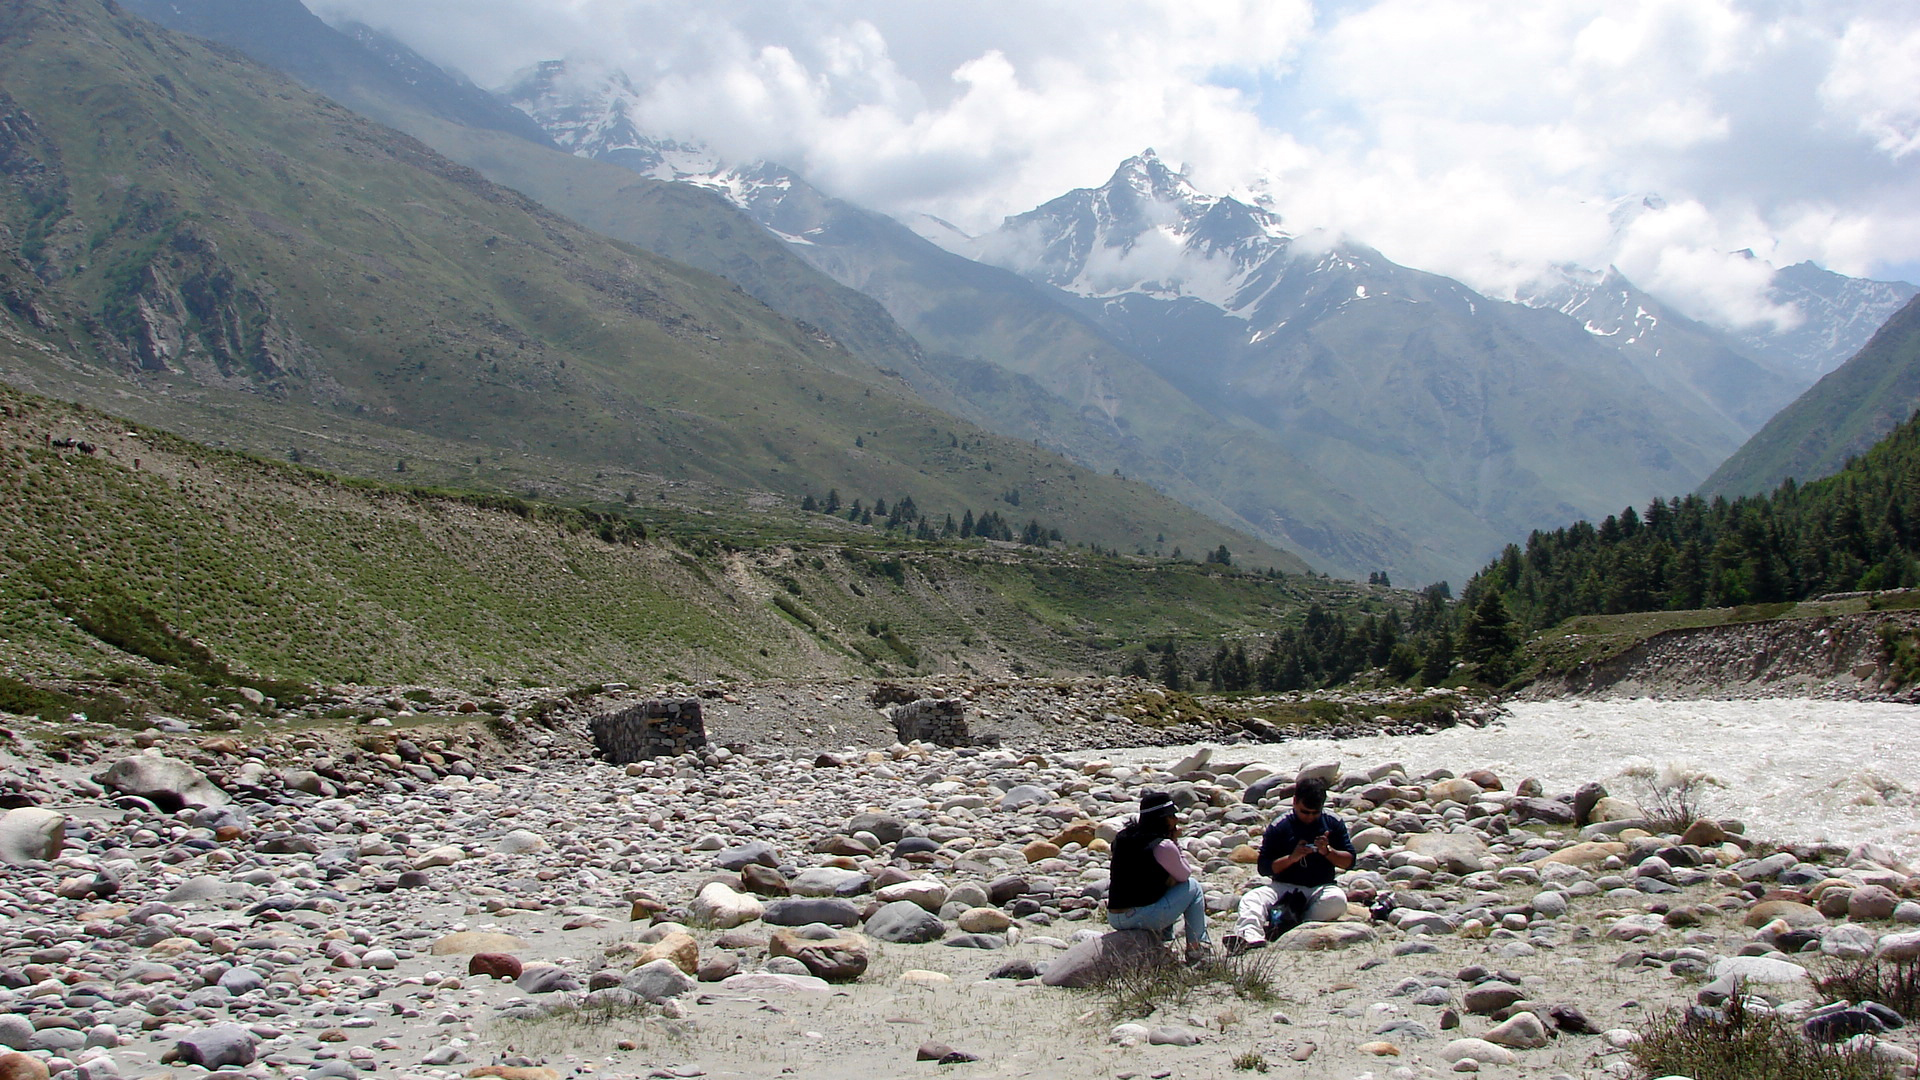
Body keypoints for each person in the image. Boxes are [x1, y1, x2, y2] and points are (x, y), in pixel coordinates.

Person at [1226, 777, 1354, 952]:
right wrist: (1292, 858)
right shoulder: (1280, 826)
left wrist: (1327, 852)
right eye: (1304, 812)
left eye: (1314, 813)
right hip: (1284, 887)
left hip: (1320, 888)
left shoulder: (1333, 822)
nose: (1309, 817)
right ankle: (1250, 936)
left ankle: (1294, 928)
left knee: (1337, 900)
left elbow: (1349, 861)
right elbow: (1264, 867)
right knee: (1252, 898)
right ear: (1294, 803)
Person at [1105, 790, 1211, 963]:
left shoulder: (1123, 837)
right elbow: (1184, 874)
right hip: (1142, 917)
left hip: (1116, 916)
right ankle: (1197, 949)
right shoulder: (1163, 845)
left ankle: (1162, 941)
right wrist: (1176, 843)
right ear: (1162, 818)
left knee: (1163, 885)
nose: (1176, 820)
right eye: (1172, 816)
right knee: (1192, 887)